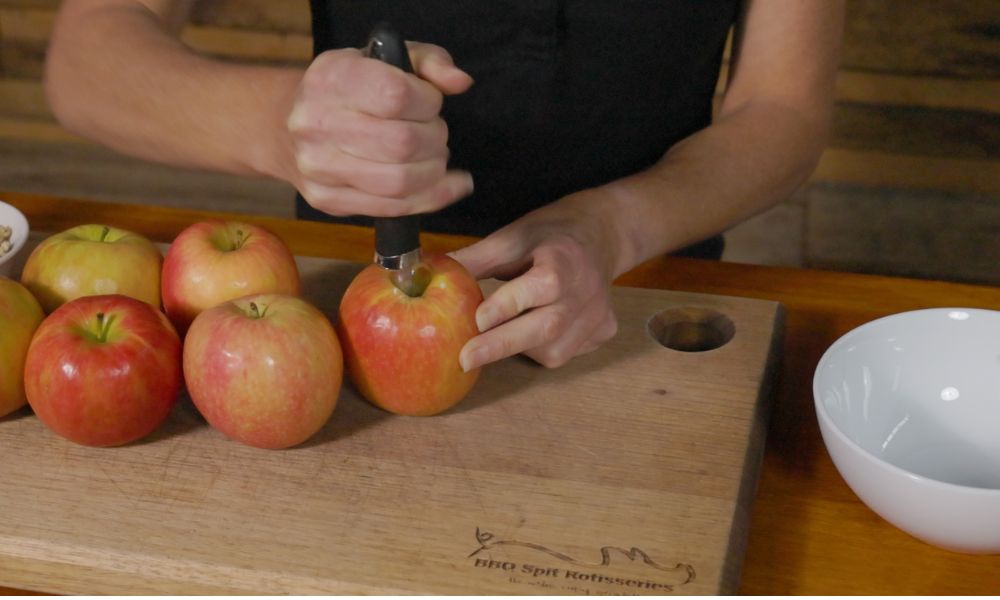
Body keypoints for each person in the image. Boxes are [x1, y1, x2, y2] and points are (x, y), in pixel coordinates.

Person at [44, 0, 845, 372]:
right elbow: (88, 59)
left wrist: (615, 228)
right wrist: (281, 125)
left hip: (652, 289)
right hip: (349, 299)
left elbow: (783, 108)